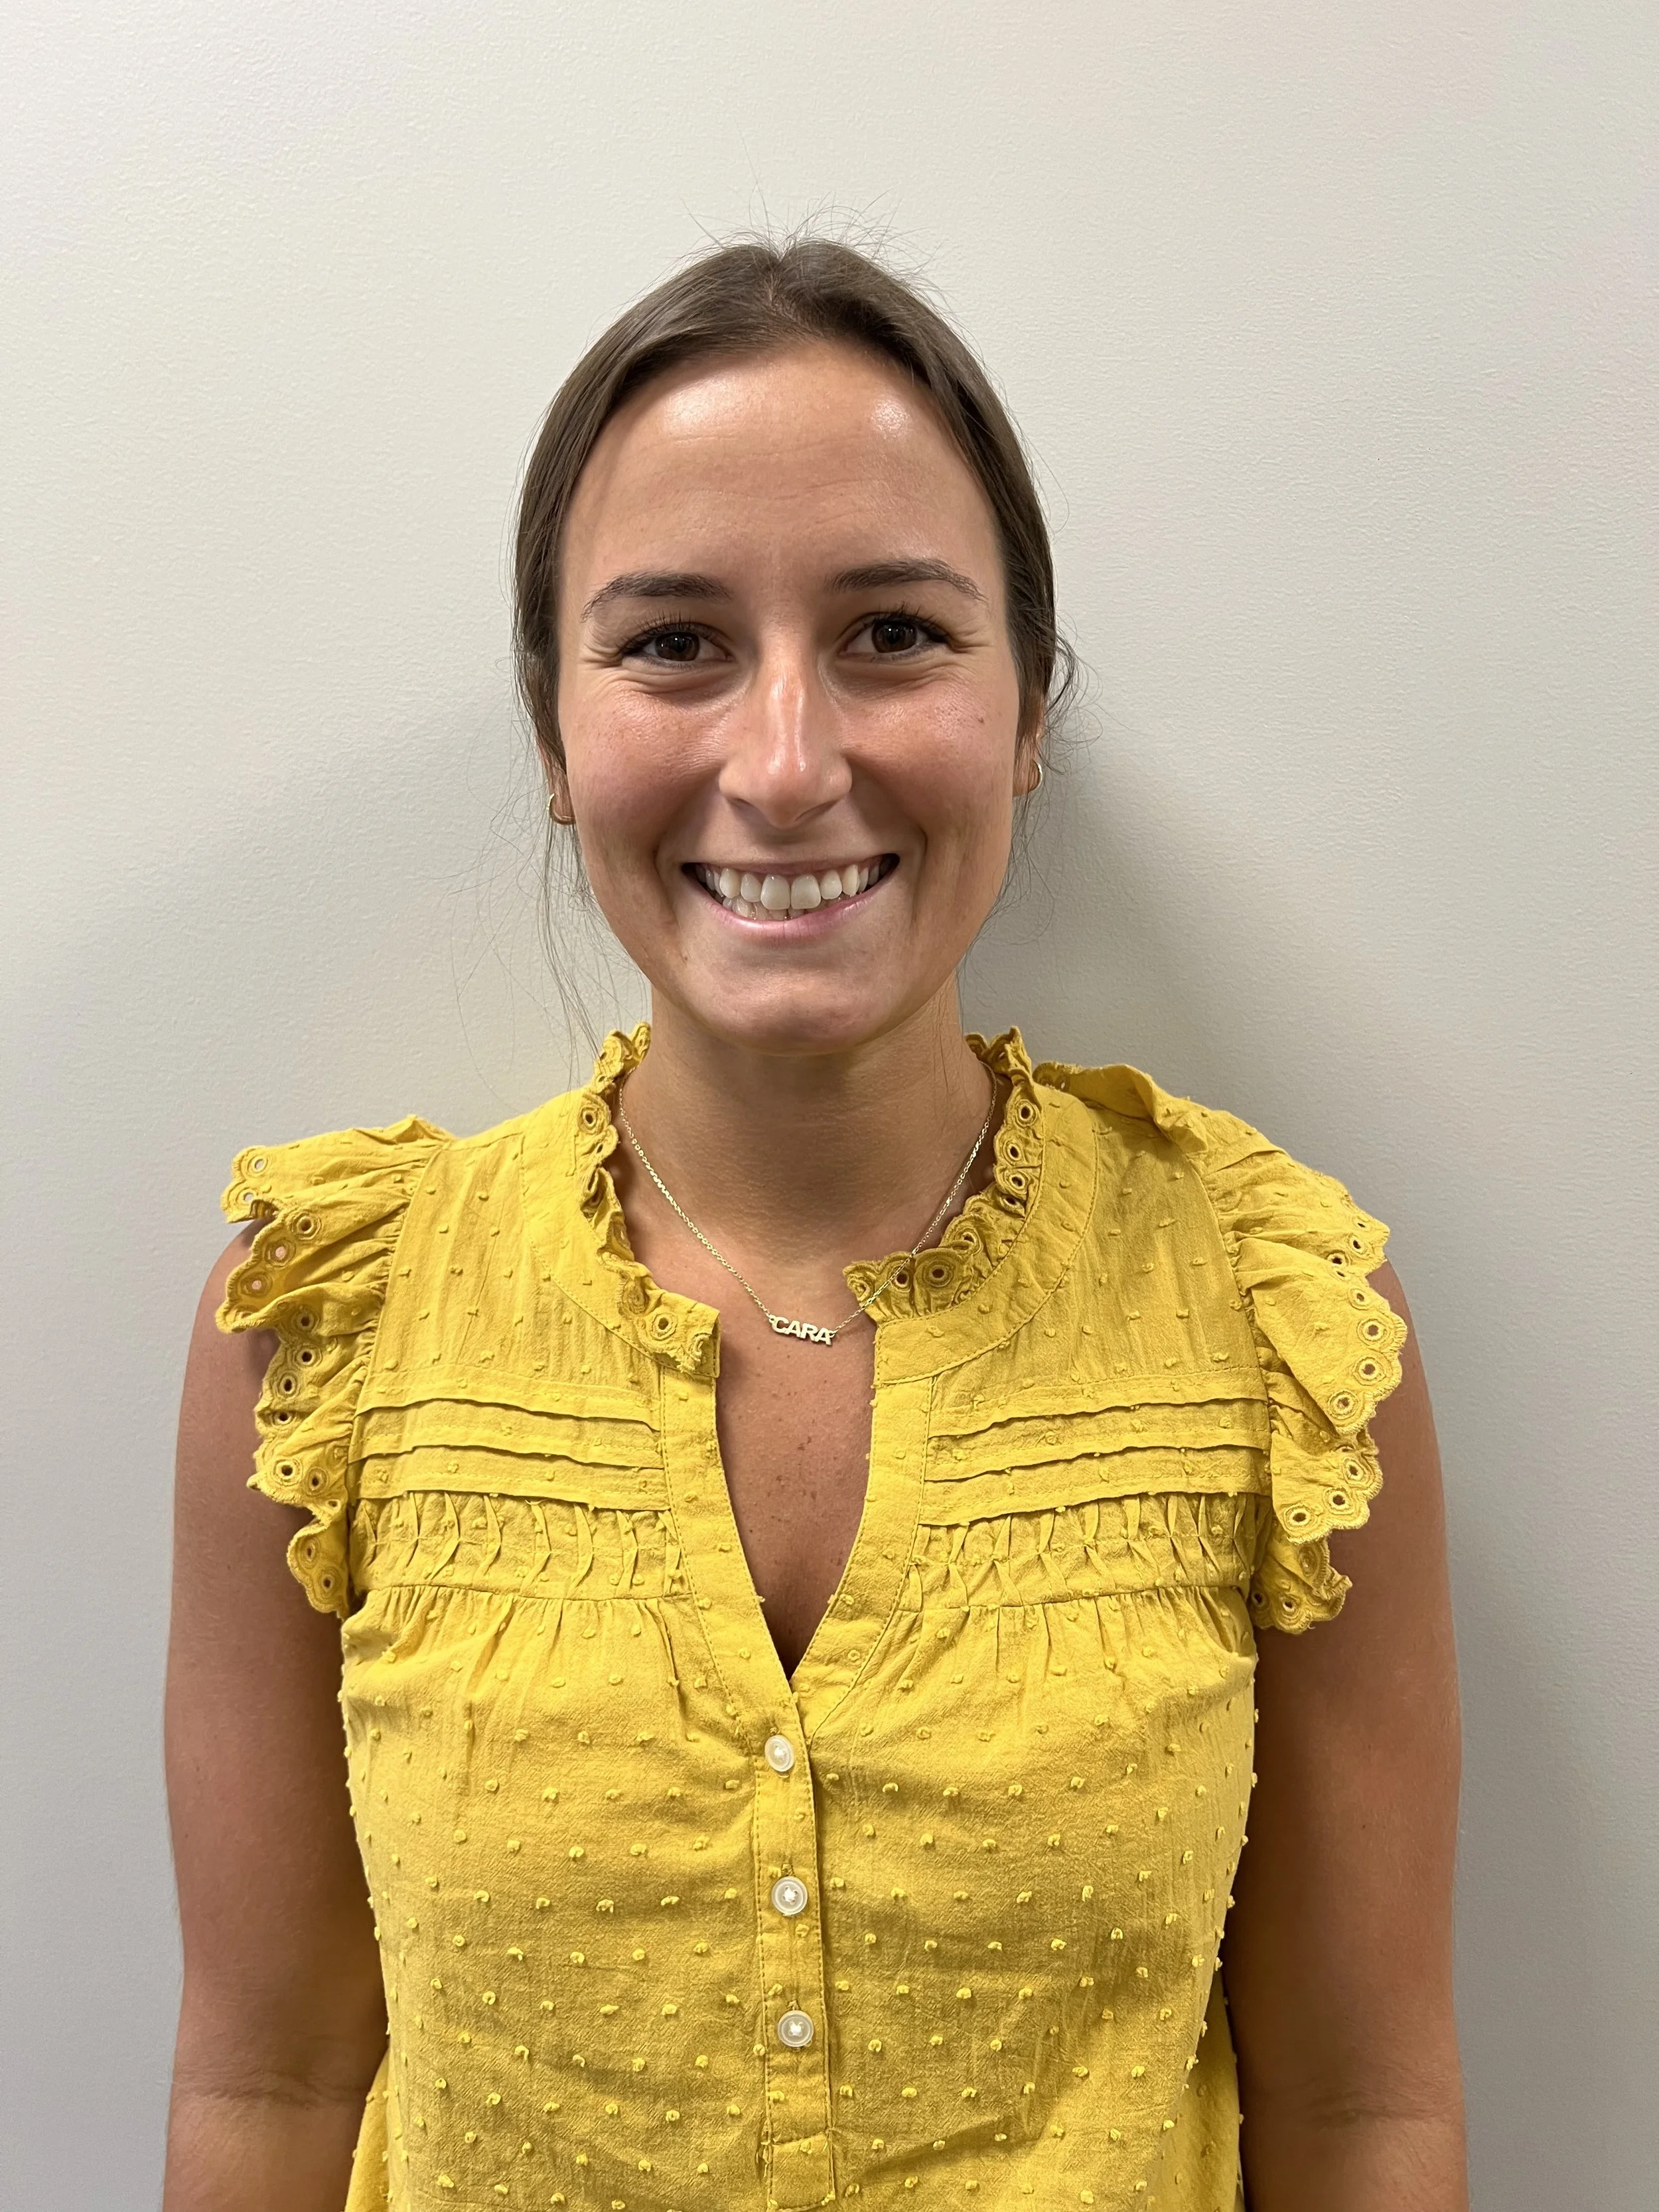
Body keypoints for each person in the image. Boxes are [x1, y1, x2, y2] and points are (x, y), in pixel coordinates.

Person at [164, 237, 1465, 2212]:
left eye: (892, 634)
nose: (783, 763)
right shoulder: (324, 1326)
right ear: (552, 732)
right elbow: (266, 2082)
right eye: (673, 642)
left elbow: (1359, 2108)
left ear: (1027, 712)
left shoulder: (1279, 1326)